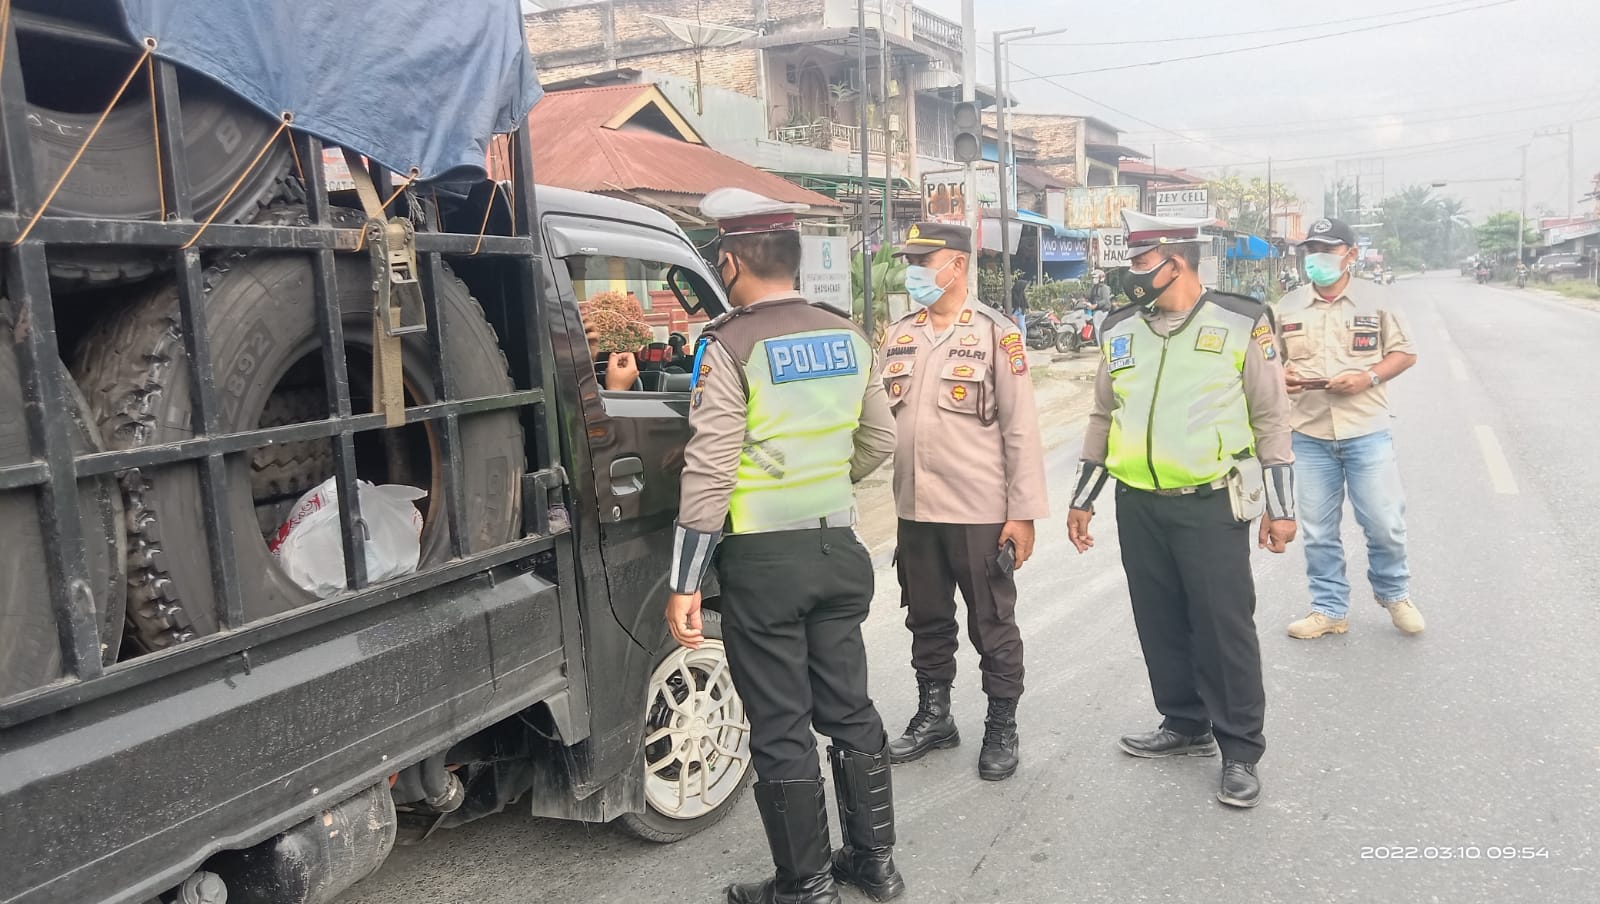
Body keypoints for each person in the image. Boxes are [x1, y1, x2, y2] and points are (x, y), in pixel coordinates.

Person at [667, 187, 903, 904]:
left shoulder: (730, 343)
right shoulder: (849, 335)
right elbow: (881, 440)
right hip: (838, 549)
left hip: (764, 560)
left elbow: (709, 468)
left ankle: (804, 884)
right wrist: (825, 482)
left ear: (731, 261)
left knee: (779, 724)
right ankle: (875, 865)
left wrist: (685, 579)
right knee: (849, 708)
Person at [1066, 210, 1296, 810]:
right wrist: (1083, 499)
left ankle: (1241, 749)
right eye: (1131, 264)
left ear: (1178, 260)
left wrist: (1280, 508)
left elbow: (1271, 417)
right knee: (1158, 617)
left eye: (1142, 264)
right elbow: (1102, 415)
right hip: (1138, 502)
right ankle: (1184, 721)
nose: (1132, 277)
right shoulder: (1119, 327)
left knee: (1224, 627)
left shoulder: (1244, 321)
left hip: (1211, 501)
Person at [876, 222, 1048, 782]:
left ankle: (1002, 724)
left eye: (925, 262)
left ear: (957, 266)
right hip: (914, 509)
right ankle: (935, 716)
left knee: (992, 622)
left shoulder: (997, 335)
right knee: (925, 618)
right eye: (911, 261)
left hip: (978, 511)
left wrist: (1020, 514)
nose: (915, 272)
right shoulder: (898, 335)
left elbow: (1021, 430)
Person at [1278, 218, 1422, 640]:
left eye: (1327, 249)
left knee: (1384, 523)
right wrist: (1279, 375)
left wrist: (1369, 378)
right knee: (1319, 531)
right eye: (1311, 250)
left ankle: (1394, 592)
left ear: (1351, 255)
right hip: (1308, 432)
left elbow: (1405, 353)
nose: (1317, 258)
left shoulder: (1378, 301)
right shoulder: (1285, 307)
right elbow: (1267, 361)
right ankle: (1329, 609)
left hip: (1365, 429)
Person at [1088, 268, 1114, 338]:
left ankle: (1101, 345)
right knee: (1097, 329)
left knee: (1099, 329)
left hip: (1102, 311)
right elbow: (1091, 298)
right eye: (1093, 278)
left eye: (1095, 278)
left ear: (1100, 278)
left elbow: (1105, 300)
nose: (1093, 279)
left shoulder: (1105, 288)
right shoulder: (1094, 288)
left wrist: (1096, 305)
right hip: (1096, 311)